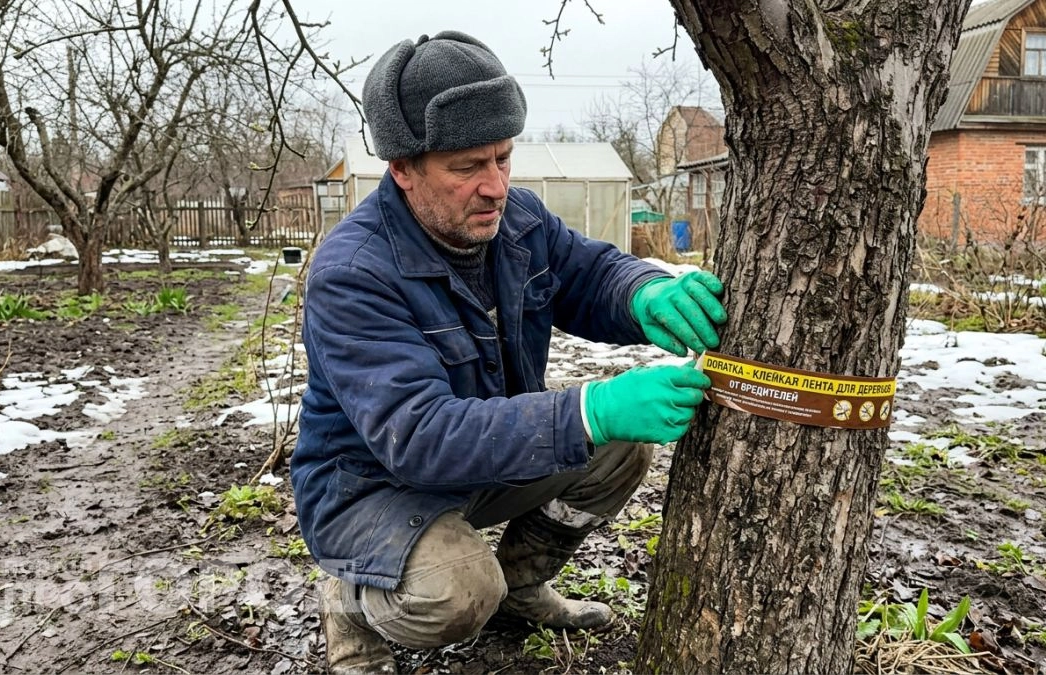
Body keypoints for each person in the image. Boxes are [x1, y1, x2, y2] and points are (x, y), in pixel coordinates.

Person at [291, 30, 727, 674]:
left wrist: (647, 293)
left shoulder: (515, 220)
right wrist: (589, 410)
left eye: (503, 157)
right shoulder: (353, 272)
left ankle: (521, 586)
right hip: (370, 490)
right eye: (468, 167)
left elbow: (590, 273)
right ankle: (352, 600)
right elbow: (419, 436)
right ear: (403, 168)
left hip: (479, 464)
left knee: (617, 450)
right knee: (459, 591)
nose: (495, 185)